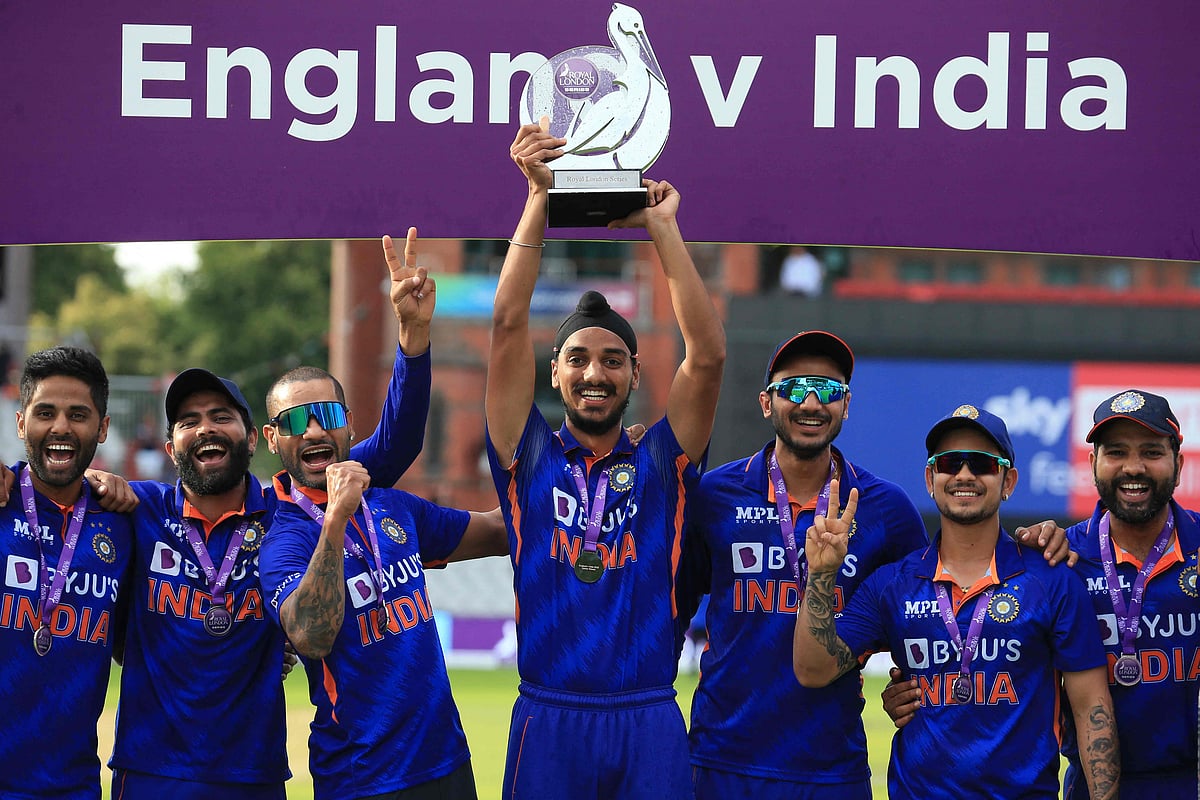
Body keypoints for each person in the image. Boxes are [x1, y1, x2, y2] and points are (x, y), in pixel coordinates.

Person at [106, 231, 437, 799]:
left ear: (252, 436)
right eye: (188, 421)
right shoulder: (141, 509)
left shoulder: (288, 513)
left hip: (253, 776)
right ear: (170, 446)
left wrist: (410, 340)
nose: (205, 427)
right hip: (151, 772)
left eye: (220, 415)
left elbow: (398, 440)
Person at [484, 122, 726, 798]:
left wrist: (662, 229)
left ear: (635, 372)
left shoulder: (660, 465)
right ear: (554, 374)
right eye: (579, 359)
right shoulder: (526, 456)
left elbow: (706, 357)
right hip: (549, 715)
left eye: (613, 360)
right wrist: (538, 198)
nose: (596, 372)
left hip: (647, 716)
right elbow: (506, 323)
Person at [793, 405, 1120, 799]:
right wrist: (822, 575)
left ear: (1008, 481)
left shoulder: (1053, 581)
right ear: (931, 478)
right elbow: (813, 670)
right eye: (949, 463)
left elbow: (1091, 710)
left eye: (982, 464)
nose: (964, 474)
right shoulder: (893, 584)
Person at [882, 390, 1199, 797]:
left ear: (1179, 463)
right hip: (1094, 782)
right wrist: (920, 686)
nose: (1133, 468)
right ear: (1093, 464)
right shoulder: (1060, 559)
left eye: (1152, 452)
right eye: (1116, 452)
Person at [675, 331, 926, 799]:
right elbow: (671, 614)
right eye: (794, 388)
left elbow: (927, 618)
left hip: (831, 768)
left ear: (846, 406)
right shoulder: (715, 495)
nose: (812, 402)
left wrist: (910, 687)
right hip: (722, 760)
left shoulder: (886, 508)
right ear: (767, 402)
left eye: (829, 390)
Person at [259, 365, 507, 800]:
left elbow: (497, 531)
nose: (314, 430)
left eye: (328, 415)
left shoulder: (393, 506)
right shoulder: (283, 539)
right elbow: (312, 637)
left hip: (446, 760)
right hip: (362, 776)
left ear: (349, 423)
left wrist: (587, 467)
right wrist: (334, 518)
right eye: (296, 420)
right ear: (272, 437)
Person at [0, 347, 133, 799]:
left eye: (78, 414)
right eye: (45, 412)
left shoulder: (124, 520)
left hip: (71, 785)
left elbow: (137, 639)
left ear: (103, 427)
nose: (60, 427)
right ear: (21, 423)